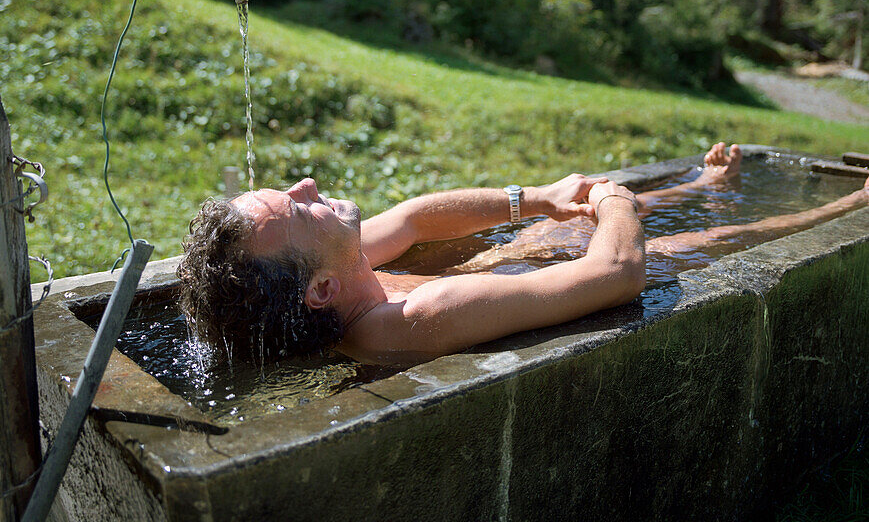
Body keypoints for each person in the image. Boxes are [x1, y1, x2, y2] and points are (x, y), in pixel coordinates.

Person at [177, 143, 868, 366]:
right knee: (702, 241)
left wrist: (534, 197)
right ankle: (850, 205)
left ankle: (703, 181)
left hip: (510, 267)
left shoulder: (341, 273)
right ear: (320, 290)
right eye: (296, 207)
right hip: (537, 283)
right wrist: (617, 201)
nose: (304, 184)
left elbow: (416, 218)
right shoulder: (411, 317)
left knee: (557, 222)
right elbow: (615, 274)